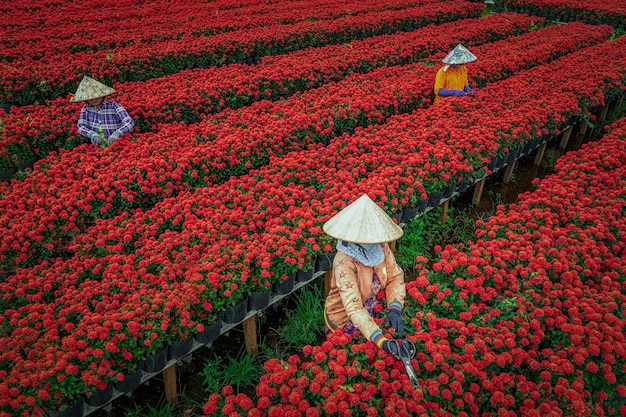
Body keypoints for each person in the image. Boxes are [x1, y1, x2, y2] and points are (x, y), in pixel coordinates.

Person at [323, 194, 406, 354]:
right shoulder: (344, 261)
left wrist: (394, 308)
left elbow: (395, 277)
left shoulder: (381, 247)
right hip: (346, 318)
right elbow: (353, 307)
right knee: (346, 360)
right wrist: (381, 341)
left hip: (372, 309)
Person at [71, 75, 135, 146]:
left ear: (102, 95)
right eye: (90, 98)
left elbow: (129, 122)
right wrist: (92, 134)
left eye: (96, 96)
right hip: (98, 148)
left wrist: (117, 133)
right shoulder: (86, 109)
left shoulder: (114, 106)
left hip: (118, 144)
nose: (94, 100)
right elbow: (80, 126)